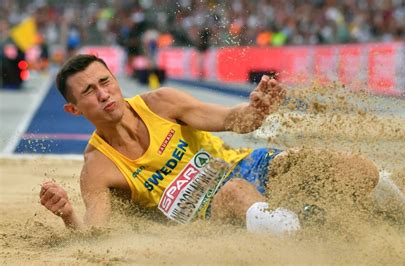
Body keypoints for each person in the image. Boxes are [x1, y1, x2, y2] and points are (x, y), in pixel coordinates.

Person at [39, 54, 380, 234]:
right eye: (88, 92)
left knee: (355, 169)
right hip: (206, 209)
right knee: (235, 192)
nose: (103, 95)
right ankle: (316, 245)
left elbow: (235, 120)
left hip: (250, 164)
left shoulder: (162, 103)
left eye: (105, 82)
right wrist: (69, 215)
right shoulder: (99, 167)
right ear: (73, 109)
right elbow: (95, 233)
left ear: (115, 80)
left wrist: (257, 109)